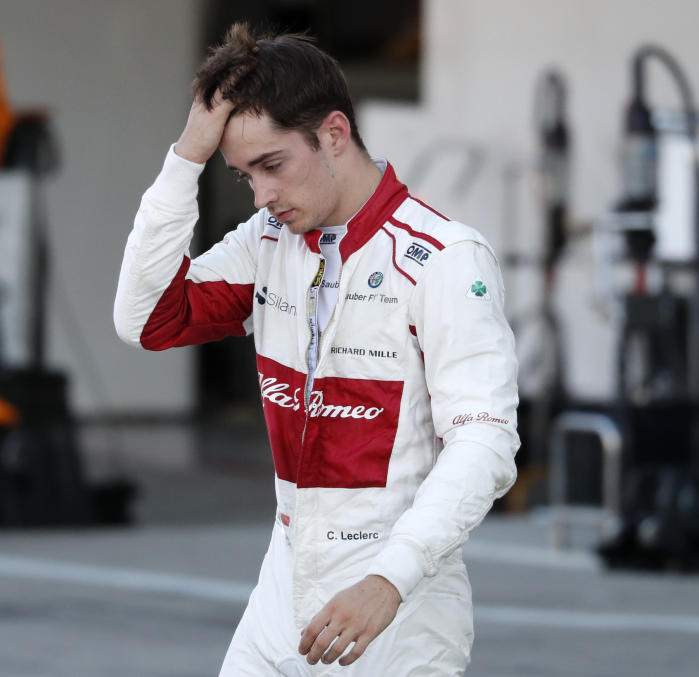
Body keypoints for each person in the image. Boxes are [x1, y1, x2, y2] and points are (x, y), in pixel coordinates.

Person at [114, 23, 519, 676]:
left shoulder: (445, 259)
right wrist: (185, 158)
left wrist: (390, 577)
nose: (262, 195)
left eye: (272, 166)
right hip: (283, 582)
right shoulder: (266, 240)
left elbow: (485, 440)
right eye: (244, 175)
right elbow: (146, 320)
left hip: (397, 605)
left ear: (334, 134)